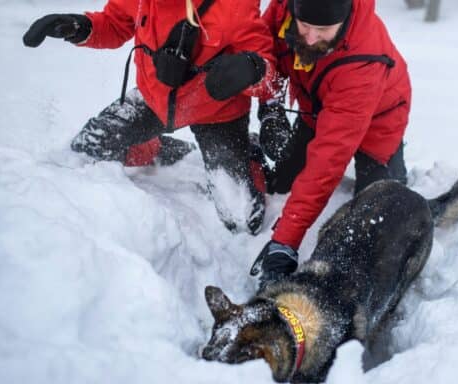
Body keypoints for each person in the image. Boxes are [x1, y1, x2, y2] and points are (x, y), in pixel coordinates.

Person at [22, 0, 278, 235]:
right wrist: (78, 28)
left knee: (242, 220)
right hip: (153, 98)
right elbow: (114, 23)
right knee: (88, 147)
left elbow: (269, 76)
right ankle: (155, 148)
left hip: (219, 111)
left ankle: (249, 154)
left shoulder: (236, 4)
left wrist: (252, 69)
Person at [250, 0, 412, 285]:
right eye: (305, 26)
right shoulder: (286, 9)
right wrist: (270, 108)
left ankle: (391, 167)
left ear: (345, 18)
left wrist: (284, 242)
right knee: (282, 182)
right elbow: (265, 54)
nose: (310, 38)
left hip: (379, 121)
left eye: (323, 29)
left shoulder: (363, 61)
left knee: (375, 211)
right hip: (318, 110)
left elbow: (326, 163)